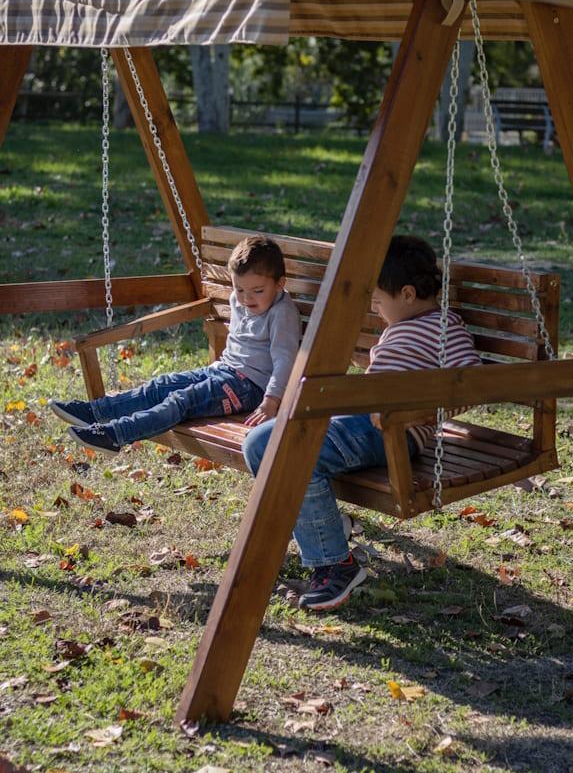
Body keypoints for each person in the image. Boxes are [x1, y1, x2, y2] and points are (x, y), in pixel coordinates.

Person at [242, 234, 481, 612]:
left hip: (391, 432)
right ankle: (329, 532)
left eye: (377, 300)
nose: (374, 308)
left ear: (406, 294)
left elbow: (473, 383)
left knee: (291, 451)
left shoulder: (443, 327)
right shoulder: (402, 325)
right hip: (357, 420)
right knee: (258, 443)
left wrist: (419, 412)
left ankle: (335, 566)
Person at [50, 235, 301, 455]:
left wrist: (270, 401)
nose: (246, 298)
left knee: (181, 400)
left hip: (250, 387)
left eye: (257, 291)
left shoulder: (282, 313)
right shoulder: (241, 299)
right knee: (161, 385)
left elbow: (284, 360)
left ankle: (114, 434)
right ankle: (96, 412)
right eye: (239, 289)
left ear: (280, 283)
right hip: (223, 371)